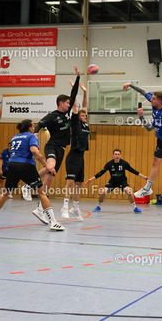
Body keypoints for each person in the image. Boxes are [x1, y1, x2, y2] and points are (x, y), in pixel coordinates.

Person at [0, 120, 64, 231]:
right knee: (41, 193)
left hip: (12, 165)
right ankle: (53, 222)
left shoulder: (15, 137)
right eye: (33, 126)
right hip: (26, 165)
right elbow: (34, 151)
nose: (34, 128)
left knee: (5, 194)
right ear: (29, 128)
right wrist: (47, 165)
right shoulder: (32, 136)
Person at [27, 66, 80, 224]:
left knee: (50, 176)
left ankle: (40, 208)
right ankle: (29, 184)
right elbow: (40, 123)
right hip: (52, 147)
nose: (69, 105)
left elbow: (74, 95)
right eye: (67, 103)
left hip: (62, 149)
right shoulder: (52, 116)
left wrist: (78, 78)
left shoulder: (67, 114)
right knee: (50, 167)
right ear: (61, 103)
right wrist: (36, 133)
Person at [85, 149, 148, 213]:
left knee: (129, 192)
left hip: (122, 181)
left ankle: (135, 208)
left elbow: (134, 171)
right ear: (113, 155)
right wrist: (91, 179)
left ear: (120, 155)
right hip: (113, 181)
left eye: (118, 154)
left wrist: (144, 177)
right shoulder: (109, 164)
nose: (117, 156)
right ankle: (98, 206)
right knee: (103, 191)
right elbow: (101, 173)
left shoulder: (124, 163)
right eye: (115, 154)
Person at [62, 80, 89, 221]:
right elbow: (76, 106)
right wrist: (75, 89)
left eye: (86, 115)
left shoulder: (85, 124)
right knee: (70, 182)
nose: (85, 116)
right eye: (83, 115)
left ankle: (75, 208)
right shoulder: (76, 123)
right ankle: (65, 206)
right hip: (73, 156)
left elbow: (85, 107)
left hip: (81, 157)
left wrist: (85, 92)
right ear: (78, 117)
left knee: (79, 184)